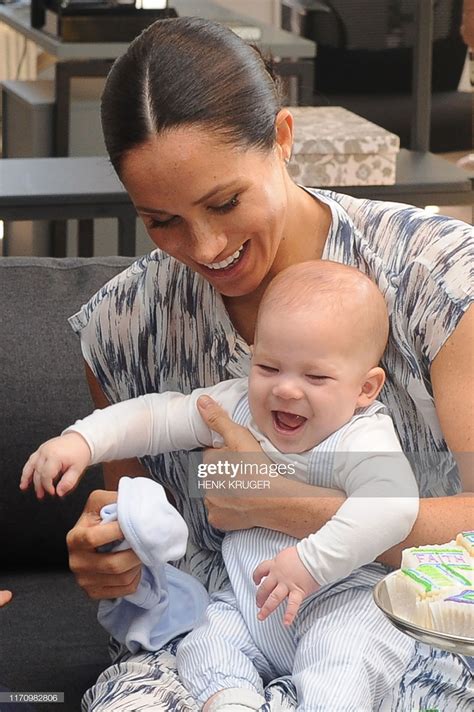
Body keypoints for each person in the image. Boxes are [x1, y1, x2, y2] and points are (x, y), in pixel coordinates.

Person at [60, 15, 472, 712]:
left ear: (283, 138)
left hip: (410, 633)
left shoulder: (434, 277)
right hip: (213, 644)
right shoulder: (123, 325)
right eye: (162, 220)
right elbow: (155, 561)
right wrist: (117, 555)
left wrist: (292, 507)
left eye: (225, 202)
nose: (205, 245)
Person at [21, 261, 419, 711]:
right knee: (205, 643)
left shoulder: (362, 435)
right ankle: (232, 701)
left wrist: (310, 564)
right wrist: (81, 441)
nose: (286, 390)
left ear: (365, 388)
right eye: (269, 366)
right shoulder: (235, 406)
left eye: (315, 377)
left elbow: (394, 507)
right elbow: (156, 417)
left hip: (341, 600)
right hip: (249, 607)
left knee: (347, 659)